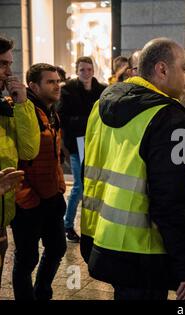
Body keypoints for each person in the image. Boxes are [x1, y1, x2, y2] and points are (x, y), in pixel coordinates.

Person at [81, 38, 185, 300]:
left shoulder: (102, 104)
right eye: (184, 68)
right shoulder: (168, 118)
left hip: (106, 239)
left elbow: (90, 174)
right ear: (161, 69)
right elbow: (170, 200)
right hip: (146, 253)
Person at [12, 63, 67, 300]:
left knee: (57, 248)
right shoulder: (22, 111)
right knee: (26, 259)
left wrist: (60, 186)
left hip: (51, 196)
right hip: (28, 201)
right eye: (50, 82)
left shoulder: (52, 111)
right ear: (33, 85)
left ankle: (42, 291)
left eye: (58, 81)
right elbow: (15, 158)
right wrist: (25, 196)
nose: (57, 86)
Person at [0, 35, 40, 289]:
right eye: (3, 64)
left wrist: (23, 105)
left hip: (3, 216)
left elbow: (29, 150)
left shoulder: (7, 106)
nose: (9, 71)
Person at [59, 56, 106, 242]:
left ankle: (95, 225)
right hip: (77, 143)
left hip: (97, 143)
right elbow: (63, 117)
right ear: (76, 71)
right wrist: (86, 121)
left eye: (88, 69)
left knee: (97, 184)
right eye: (82, 70)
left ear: (93, 70)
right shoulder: (68, 90)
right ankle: (68, 224)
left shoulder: (102, 90)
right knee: (78, 186)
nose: (86, 73)